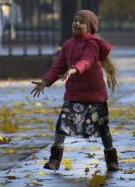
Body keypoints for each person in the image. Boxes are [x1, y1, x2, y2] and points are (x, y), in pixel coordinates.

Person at [30, 10, 119, 172]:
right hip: (73, 95)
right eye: (75, 20)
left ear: (89, 27)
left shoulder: (92, 43)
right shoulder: (68, 45)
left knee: (103, 128)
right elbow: (58, 67)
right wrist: (46, 81)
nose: (77, 23)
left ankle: (112, 160)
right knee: (61, 126)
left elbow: (88, 60)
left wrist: (74, 70)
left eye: (81, 22)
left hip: (94, 96)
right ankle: (55, 160)